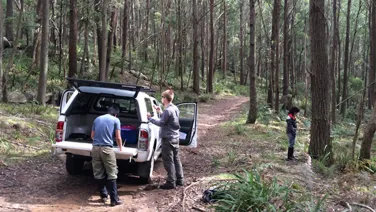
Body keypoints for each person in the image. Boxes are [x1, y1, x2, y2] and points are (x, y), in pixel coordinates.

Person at [147, 89, 184, 189]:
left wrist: (150, 118)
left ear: (165, 99)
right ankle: (180, 179)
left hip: (168, 138)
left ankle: (171, 182)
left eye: (162, 97)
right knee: (176, 159)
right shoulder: (175, 108)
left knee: (168, 160)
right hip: (176, 137)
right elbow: (169, 120)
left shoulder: (168, 110)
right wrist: (160, 112)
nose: (161, 99)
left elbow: (161, 123)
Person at [91, 104, 123, 206]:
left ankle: (104, 196)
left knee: (98, 173)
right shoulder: (115, 120)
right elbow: (118, 137)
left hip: (95, 148)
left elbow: (92, 135)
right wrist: (121, 147)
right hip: (107, 149)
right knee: (112, 173)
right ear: (116, 114)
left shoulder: (97, 119)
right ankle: (114, 200)